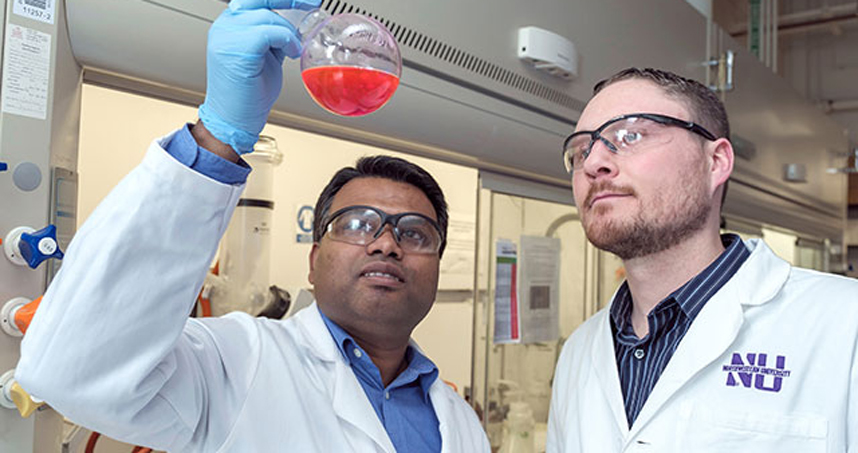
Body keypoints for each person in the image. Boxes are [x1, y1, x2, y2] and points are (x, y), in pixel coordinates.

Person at [15, 1, 489, 452]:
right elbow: (71, 370)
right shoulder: (235, 365)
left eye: (414, 233)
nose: (386, 243)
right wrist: (218, 134)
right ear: (313, 259)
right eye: (358, 224)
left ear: (437, 267)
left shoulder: (460, 421)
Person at [546, 67, 858, 452]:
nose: (593, 163)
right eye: (581, 150)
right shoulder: (578, 352)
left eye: (630, 135)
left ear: (716, 162)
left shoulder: (846, 324)